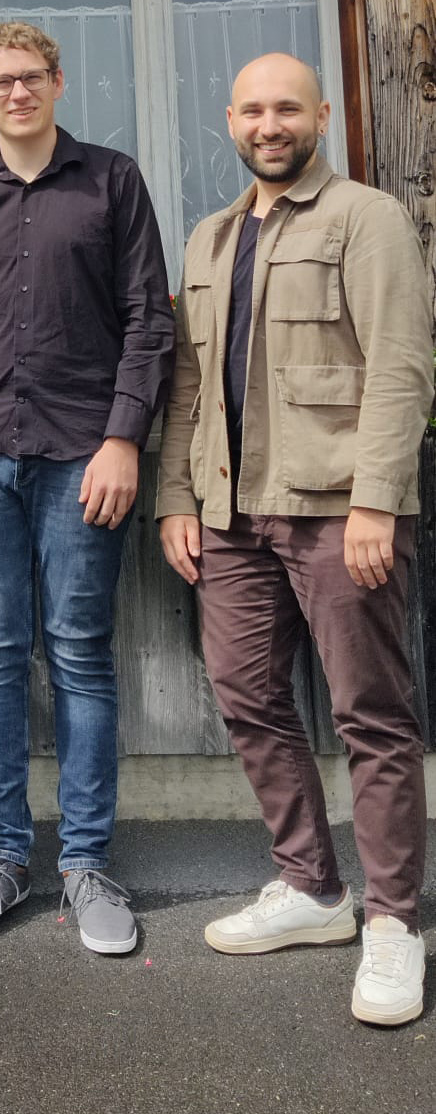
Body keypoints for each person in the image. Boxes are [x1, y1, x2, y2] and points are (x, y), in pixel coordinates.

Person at [157, 53, 433, 1026]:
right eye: (252, 110)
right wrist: (177, 495)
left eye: (287, 108)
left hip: (337, 506)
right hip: (231, 513)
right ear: (230, 120)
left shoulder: (366, 218)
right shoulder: (210, 236)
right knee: (246, 694)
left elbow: (401, 362)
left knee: (372, 714)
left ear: (320, 115)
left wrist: (376, 500)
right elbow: (190, 382)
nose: (269, 125)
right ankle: (313, 886)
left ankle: (394, 921)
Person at [0, 21, 174, 955]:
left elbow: (148, 321)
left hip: (82, 455)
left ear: (59, 82)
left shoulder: (113, 180)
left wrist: (123, 439)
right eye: (0, 82)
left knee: (80, 653)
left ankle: (87, 863)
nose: (17, 93)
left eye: (32, 77)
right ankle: (4, 859)